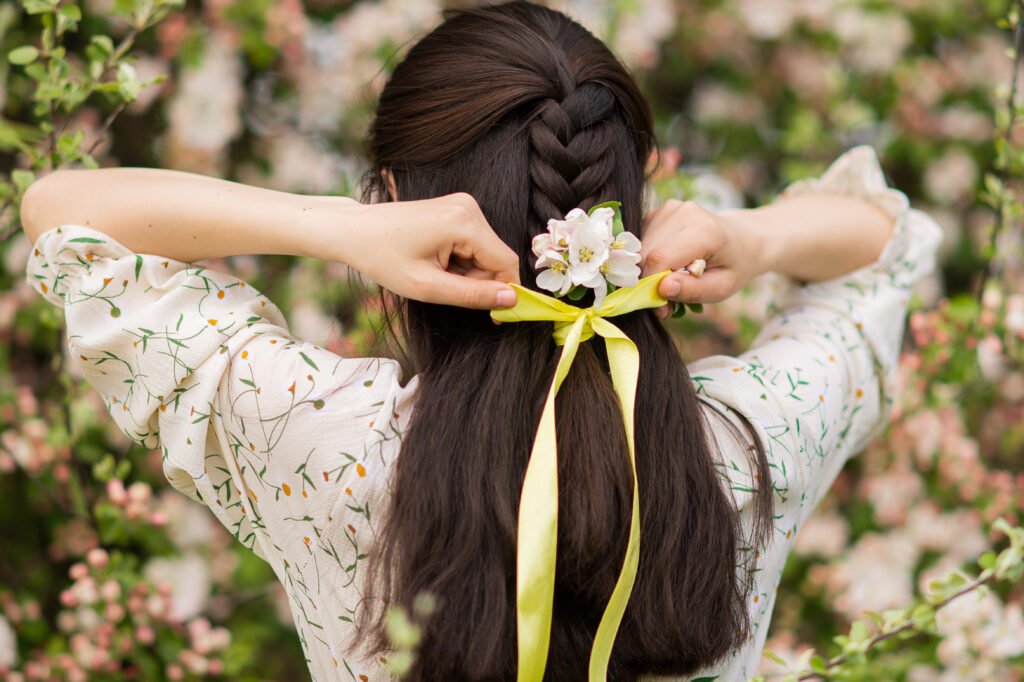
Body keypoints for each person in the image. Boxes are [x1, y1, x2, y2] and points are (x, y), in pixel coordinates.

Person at [20, 2, 942, 680]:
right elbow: (883, 246)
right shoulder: (747, 447)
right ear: (634, 203)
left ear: (397, 192)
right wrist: (752, 238)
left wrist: (335, 225)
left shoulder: (317, 435)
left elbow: (64, 216)